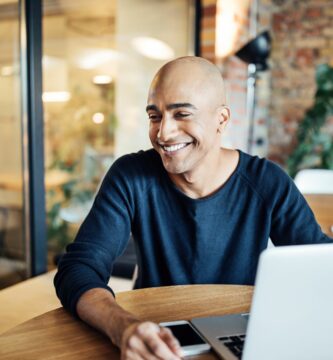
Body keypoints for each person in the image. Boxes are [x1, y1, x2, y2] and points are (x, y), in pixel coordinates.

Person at [54, 56, 332, 360]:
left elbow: (321, 267)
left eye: (182, 114)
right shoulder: (130, 176)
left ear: (222, 120)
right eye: (155, 116)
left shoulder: (267, 182)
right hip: (152, 334)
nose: (163, 133)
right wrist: (123, 326)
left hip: (241, 339)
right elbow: (77, 269)